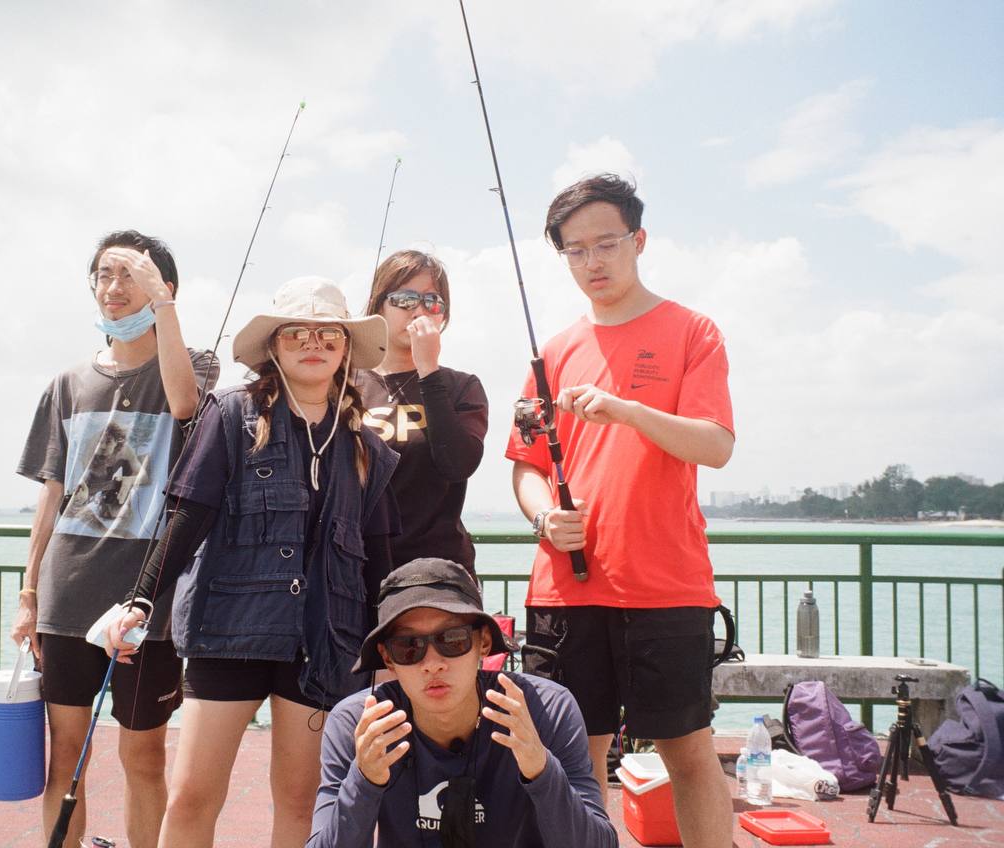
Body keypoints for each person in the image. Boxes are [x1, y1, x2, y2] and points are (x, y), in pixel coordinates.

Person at [106, 276, 401, 848]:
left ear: (345, 349)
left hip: (324, 644)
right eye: (296, 334)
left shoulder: (369, 447)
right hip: (227, 632)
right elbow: (186, 518)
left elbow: (379, 564)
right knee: (193, 794)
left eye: (327, 335)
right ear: (273, 346)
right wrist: (140, 600)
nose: (312, 344)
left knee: (301, 802)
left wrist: (386, 651)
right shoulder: (231, 414)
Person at [506, 174, 736, 848]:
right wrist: (544, 516)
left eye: (605, 243)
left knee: (688, 752)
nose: (593, 263)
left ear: (638, 240)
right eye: (574, 251)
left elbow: (716, 445)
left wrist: (629, 410)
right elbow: (526, 464)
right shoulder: (551, 351)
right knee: (573, 755)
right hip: (566, 587)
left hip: (666, 584)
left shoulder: (693, 331)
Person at [12, 230, 218, 848]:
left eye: (132, 273)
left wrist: (165, 310)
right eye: (105, 274)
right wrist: (29, 592)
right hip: (69, 593)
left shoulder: (193, 365)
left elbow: (184, 405)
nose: (115, 286)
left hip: (144, 600)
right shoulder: (68, 384)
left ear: (164, 288)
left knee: (143, 756)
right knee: (67, 755)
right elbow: (53, 493)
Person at [307, 558, 617, 848]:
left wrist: (541, 770)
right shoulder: (360, 725)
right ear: (387, 658)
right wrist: (364, 781)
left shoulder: (544, 710)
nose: (432, 663)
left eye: (452, 640)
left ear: (483, 643)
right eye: (408, 647)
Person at [358, 250, 488, 574]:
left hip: (436, 572)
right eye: (405, 299)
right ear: (379, 306)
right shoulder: (345, 386)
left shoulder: (461, 387)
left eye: (432, 302)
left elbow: (457, 464)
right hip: (357, 568)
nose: (418, 310)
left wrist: (428, 370)